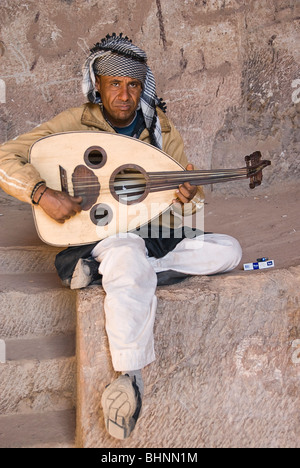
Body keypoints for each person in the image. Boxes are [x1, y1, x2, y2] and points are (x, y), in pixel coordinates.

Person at [0, 33, 242, 440]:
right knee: (125, 252)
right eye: (115, 84)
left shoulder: (159, 129)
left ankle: (110, 270)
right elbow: (4, 156)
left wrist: (188, 194)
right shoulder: (74, 124)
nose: (125, 95)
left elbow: (186, 201)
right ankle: (129, 380)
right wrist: (40, 193)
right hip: (107, 233)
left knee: (227, 252)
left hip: (151, 234)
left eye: (133, 85)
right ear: (98, 85)